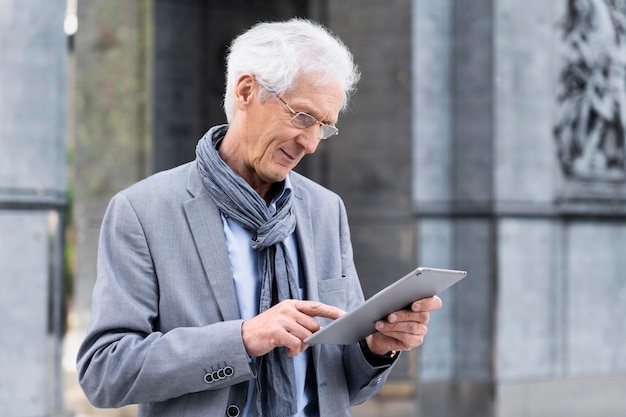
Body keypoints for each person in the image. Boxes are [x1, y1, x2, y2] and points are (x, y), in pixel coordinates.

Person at [76, 18, 442, 417]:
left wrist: (378, 346)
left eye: (324, 127)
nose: (310, 144)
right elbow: (104, 373)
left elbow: (338, 384)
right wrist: (243, 338)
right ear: (246, 91)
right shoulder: (142, 211)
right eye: (303, 117)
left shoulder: (325, 210)